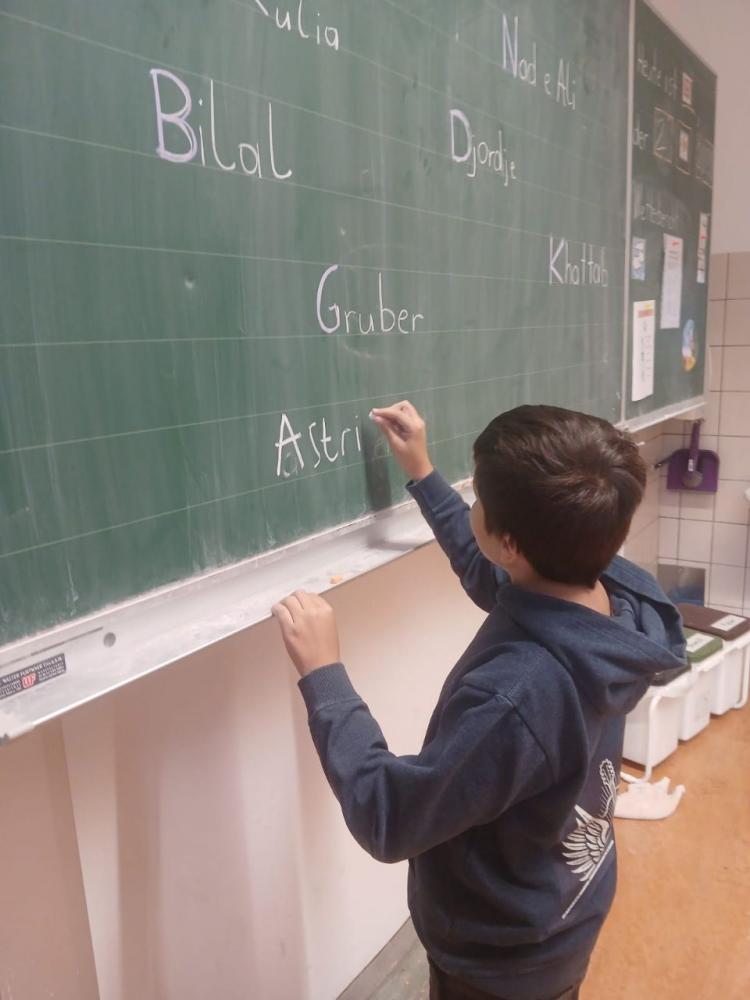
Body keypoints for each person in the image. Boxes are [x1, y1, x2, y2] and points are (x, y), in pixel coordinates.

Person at [272, 401, 686, 1000]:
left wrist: (324, 674)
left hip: (498, 960)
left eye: (478, 499)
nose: (474, 507)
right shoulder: (610, 603)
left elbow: (391, 816)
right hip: (562, 910)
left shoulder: (515, 696)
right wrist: (423, 474)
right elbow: (490, 569)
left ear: (511, 543)